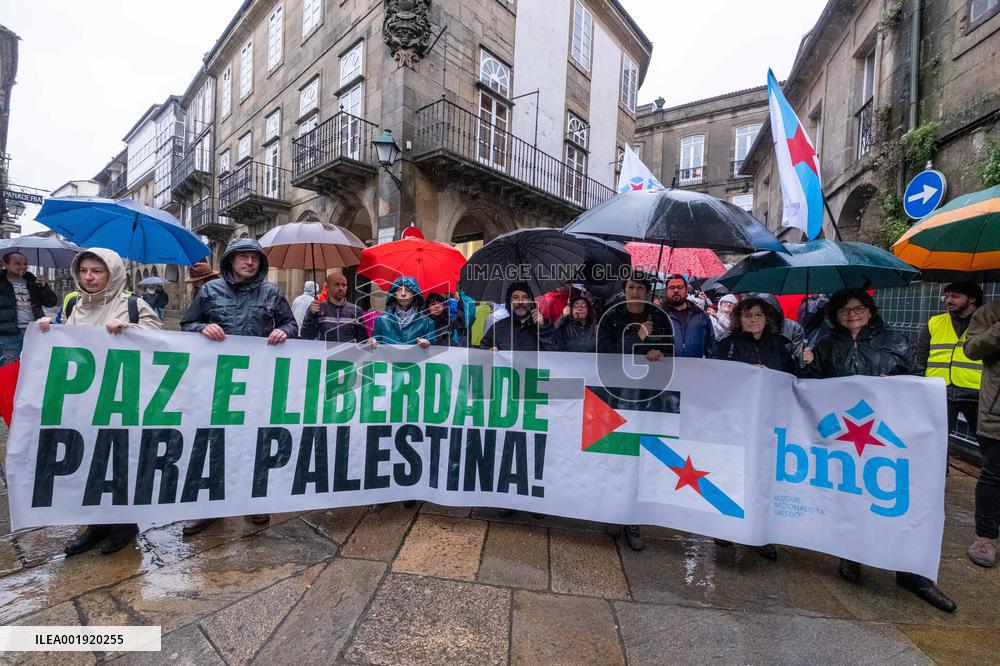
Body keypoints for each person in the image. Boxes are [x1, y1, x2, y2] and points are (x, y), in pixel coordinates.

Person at [802, 289, 956, 612]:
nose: (852, 314)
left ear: (870, 311)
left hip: (891, 439)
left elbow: (917, 381)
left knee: (901, 501)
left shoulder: (896, 341)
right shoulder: (826, 346)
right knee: (852, 496)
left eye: (858, 308)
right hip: (846, 441)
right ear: (835, 315)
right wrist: (806, 365)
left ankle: (913, 572)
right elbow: (812, 391)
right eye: (844, 310)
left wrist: (896, 384)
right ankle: (853, 554)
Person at [36, 248, 162, 555]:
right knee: (92, 462)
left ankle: (124, 525)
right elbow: (70, 346)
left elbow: (162, 342)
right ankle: (96, 524)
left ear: (112, 273)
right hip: (85, 400)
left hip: (122, 397)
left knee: (119, 459)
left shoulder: (134, 304)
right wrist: (49, 331)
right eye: (84, 271)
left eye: (97, 271)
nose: (89, 277)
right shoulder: (76, 305)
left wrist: (129, 329)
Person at [181, 237, 297, 534]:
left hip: (258, 382)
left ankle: (255, 501)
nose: (249, 262)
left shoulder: (272, 292)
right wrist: (201, 327)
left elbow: (291, 325)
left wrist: (283, 332)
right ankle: (209, 507)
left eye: (255, 258)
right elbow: (187, 325)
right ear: (230, 260)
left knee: (254, 441)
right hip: (217, 383)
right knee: (215, 440)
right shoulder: (209, 290)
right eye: (243, 257)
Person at [597, 275, 673, 551]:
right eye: (631, 287)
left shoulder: (659, 318)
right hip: (615, 395)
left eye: (641, 288)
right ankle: (613, 511)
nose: (635, 291)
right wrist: (635, 337)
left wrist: (657, 351)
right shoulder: (610, 316)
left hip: (647, 398)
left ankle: (633, 518)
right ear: (624, 290)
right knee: (615, 454)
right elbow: (604, 350)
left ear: (647, 291)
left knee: (639, 457)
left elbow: (669, 350)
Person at [915, 282, 983, 451]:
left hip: (977, 392)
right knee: (934, 445)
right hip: (940, 391)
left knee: (989, 445)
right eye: (946, 296)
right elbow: (921, 357)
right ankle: (936, 476)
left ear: (972, 298)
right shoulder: (935, 322)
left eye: (955, 296)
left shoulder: (987, 324)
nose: (948, 300)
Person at [964, 297, 1000, 568]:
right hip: (997, 411)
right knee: (993, 473)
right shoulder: (990, 312)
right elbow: (972, 349)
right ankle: (986, 537)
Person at [1, 250, 57, 366]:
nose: (23, 267)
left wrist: (43, 287)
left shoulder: (32, 281)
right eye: (17, 263)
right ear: (6, 264)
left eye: (25, 264)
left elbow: (51, 303)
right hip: (9, 334)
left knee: (34, 364)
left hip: (34, 329)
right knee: (10, 365)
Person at [479, 282, 554, 353]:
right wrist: (488, 352)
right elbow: (481, 352)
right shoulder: (497, 327)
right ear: (509, 301)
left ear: (531, 302)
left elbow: (555, 352)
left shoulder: (546, 325)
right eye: (515, 297)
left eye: (525, 297)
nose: (520, 302)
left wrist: (542, 328)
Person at [300, 272, 367, 343]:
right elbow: (306, 335)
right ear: (327, 287)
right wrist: (311, 315)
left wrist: (371, 342)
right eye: (336, 285)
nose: (341, 288)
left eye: (343, 285)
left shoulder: (356, 310)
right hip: (325, 353)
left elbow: (362, 340)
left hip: (348, 353)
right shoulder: (318, 308)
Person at [663, 274, 716, 359]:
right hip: (669, 368)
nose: (676, 290)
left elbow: (711, 347)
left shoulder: (700, 315)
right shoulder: (659, 315)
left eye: (680, 287)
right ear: (666, 291)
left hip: (695, 368)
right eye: (672, 288)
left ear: (686, 290)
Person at [371, 276, 434, 347]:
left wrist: (428, 345)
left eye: (408, 290)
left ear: (414, 293)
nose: (403, 293)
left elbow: (432, 353)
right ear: (394, 294)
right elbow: (375, 347)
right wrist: (373, 344)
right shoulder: (381, 320)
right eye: (399, 289)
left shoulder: (427, 322)